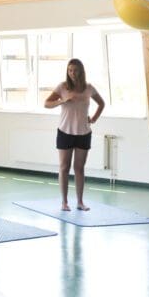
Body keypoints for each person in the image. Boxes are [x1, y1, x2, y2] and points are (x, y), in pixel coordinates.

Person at [43, 59, 105, 211]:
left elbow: (101, 103)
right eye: (70, 70)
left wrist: (93, 119)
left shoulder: (89, 88)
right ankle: (64, 203)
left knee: (79, 168)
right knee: (64, 167)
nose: (72, 73)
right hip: (65, 132)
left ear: (81, 71)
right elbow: (46, 103)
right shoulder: (62, 87)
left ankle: (80, 202)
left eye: (75, 70)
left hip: (83, 133)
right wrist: (61, 101)